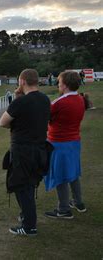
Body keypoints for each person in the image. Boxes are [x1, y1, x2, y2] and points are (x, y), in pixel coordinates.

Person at [0, 68, 51, 236]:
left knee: (22, 187)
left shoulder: (20, 102)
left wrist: (17, 102)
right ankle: (27, 218)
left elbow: (3, 122)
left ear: (22, 81)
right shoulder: (45, 99)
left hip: (23, 150)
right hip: (40, 149)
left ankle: (29, 226)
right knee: (28, 184)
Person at [44, 71, 87, 219]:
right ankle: (78, 202)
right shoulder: (80, 99)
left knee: (60, 175)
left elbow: (45, 116)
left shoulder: (59, 102)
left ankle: (63, 209)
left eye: (59, 81)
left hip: (58, 143)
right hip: (74, 142)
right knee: (73, 172)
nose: (58, 84)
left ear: (66, 84)